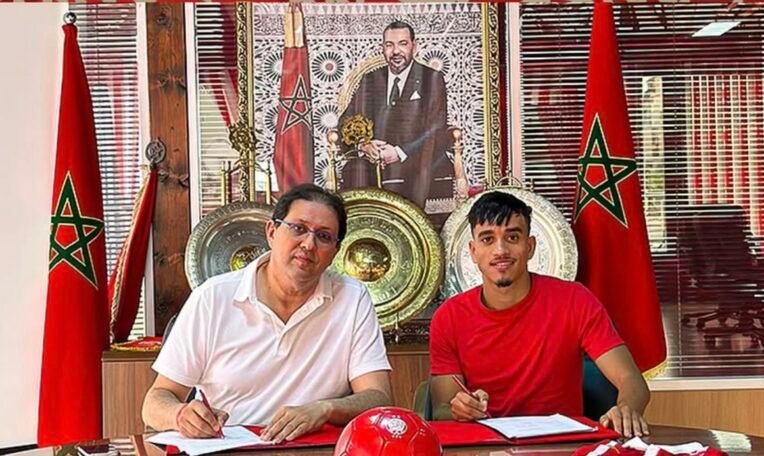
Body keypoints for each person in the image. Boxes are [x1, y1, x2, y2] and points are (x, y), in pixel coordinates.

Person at [142, 184, 393, 443]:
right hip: (230, 446)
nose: (309, 244)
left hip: (313, 448)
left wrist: (325, 408)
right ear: (271, 232)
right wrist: (181, 415)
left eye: (324, 236)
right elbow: (155, 401)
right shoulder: (213, 297)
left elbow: (378, 397)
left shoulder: (352, 298)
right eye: (298, 228)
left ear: (335, 252)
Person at [429, 191, 651, 438]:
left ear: (530, 246)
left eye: (512, 237)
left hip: (562, 446)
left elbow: (632, 380)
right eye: (487, 239)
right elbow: (440, 410)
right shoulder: (448, 317)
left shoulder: (575, 300)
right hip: (485, 446)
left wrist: (626, 409)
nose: (500, 250)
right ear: (473, 251)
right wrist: (459, 409)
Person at [339, 20, 452, 208]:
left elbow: (436, 129)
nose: (396, 51)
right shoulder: (371, 79)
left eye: (402, 44)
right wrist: (363, 145)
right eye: (389, 45)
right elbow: (345, 122)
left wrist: (399, 153)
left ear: (414, 46)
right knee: (354, 172)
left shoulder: (431, 79)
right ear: (382, 48)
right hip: (373, 163)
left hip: (416, 158)